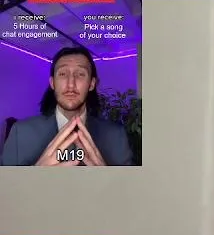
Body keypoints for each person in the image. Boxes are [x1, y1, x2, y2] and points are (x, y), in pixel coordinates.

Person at [0, 46, 135, 166]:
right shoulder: (20, 133)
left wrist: (107, 176)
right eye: (63, 74)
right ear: (52, 83)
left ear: (92, 84)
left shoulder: (116, 136)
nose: (71, 84)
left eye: (80, 74)